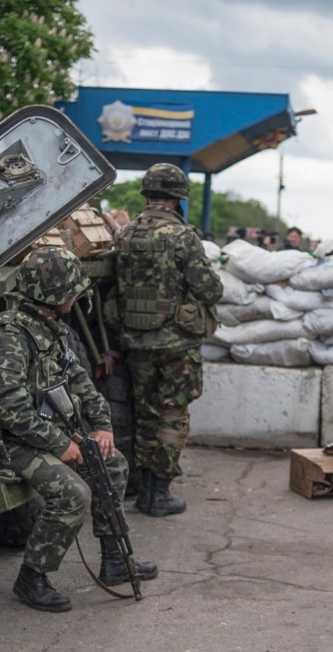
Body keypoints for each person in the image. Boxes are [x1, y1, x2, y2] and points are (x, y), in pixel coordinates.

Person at [0, 247, 157, 612]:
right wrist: (60, 443)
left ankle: (115, 561)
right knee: (73, 494)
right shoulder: (10, 334)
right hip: (3, 440)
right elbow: (7, 406)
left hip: (39, 433)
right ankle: (32, 577)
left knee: (113, 465)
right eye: (72, 290)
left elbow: (83, 386)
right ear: (57, 295)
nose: (76, 296)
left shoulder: (53, 331)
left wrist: (101, 426)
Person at [115, 163, 223, 517]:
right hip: (176, 345)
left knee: (144, 416)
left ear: (146, 194)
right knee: (172, 416)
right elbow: (210, 288)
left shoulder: (125, 235)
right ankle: (159, 494)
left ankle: (144, 490)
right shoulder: (182, 238)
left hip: (136, 343)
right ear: (178, 200)